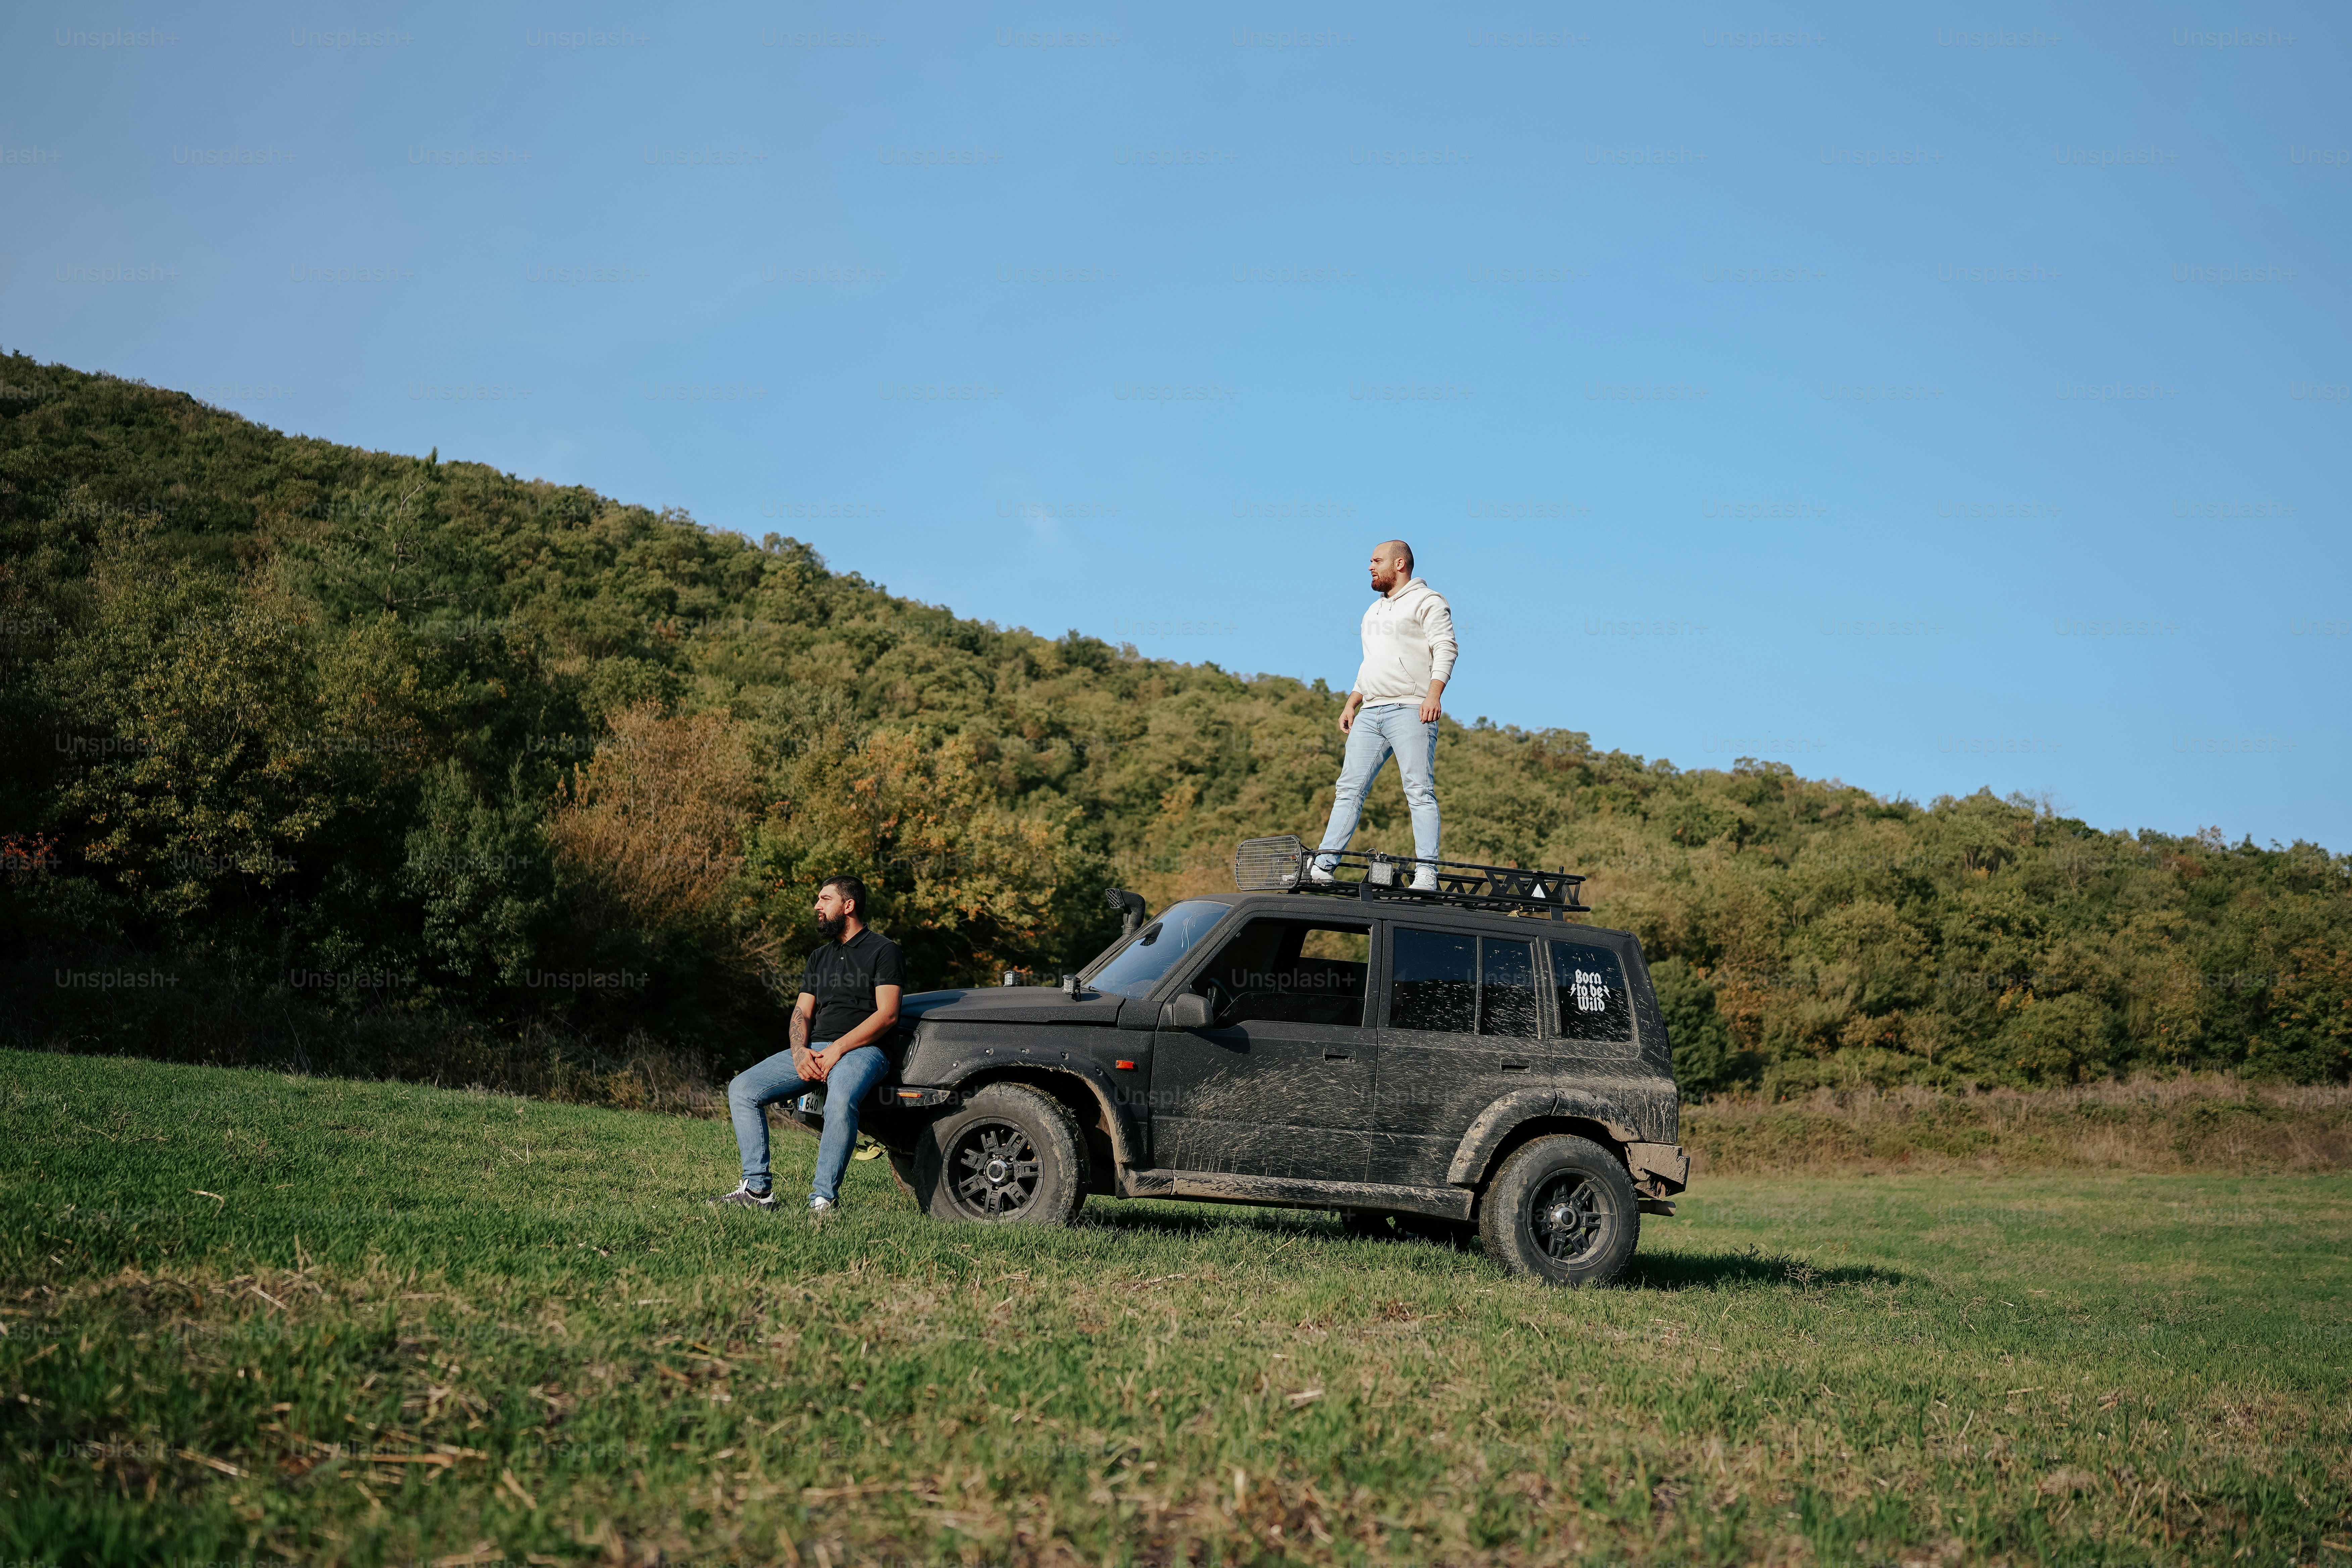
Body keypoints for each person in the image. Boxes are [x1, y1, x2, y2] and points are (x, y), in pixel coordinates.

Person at [712, 875, 904, 1219]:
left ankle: (823, 1201)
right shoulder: (819, 957)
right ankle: (757, 1190)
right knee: (742, 1088)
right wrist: (801, 1052)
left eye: (825, 899)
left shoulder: (884, 951)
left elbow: (888, 1015)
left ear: (849, 905)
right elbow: (802, 1012)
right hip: (815, 1048)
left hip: (865, 1051)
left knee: (840, 1099)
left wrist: (838, 1050)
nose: (817, 906)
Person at [1311, 540, 1457, 893]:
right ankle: (1323, 866)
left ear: (1400, 564)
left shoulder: (1428, 601)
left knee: (1419, 791)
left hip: (1411, 708)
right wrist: (1352, 702)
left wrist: (1433, 695)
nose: (1370, 567)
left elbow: (1446, 647)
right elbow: (1371, 664)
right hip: (1370, 710)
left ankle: (1427, 874)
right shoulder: (1373, 612)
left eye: (1377, 561)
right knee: (1348, 789)